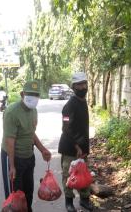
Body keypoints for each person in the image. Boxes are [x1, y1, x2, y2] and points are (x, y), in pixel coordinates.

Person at [1, 80, 51, 212]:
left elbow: (31, 133)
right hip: (14, 156)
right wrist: (12, 166)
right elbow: (9, 141)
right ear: (22, 94)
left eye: (36, 95)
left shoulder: (34, 111)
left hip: (28, 155)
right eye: (30, 94)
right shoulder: (12, 112)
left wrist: (42, 150)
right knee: (15, 194)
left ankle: (28, 209)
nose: (33, 98)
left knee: (28, 190)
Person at [58, 72, 94, 212]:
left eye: (84, 83)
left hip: (83, 148)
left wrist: (83, 147)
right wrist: (76, 146)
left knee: (84, 174)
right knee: (69, 176)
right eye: (79, 84)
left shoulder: (83, 102)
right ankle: (69, 203)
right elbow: (65, 128)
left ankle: (84, 201)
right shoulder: (69, 106)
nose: (83, 87)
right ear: (74, 87)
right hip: (69, 148)